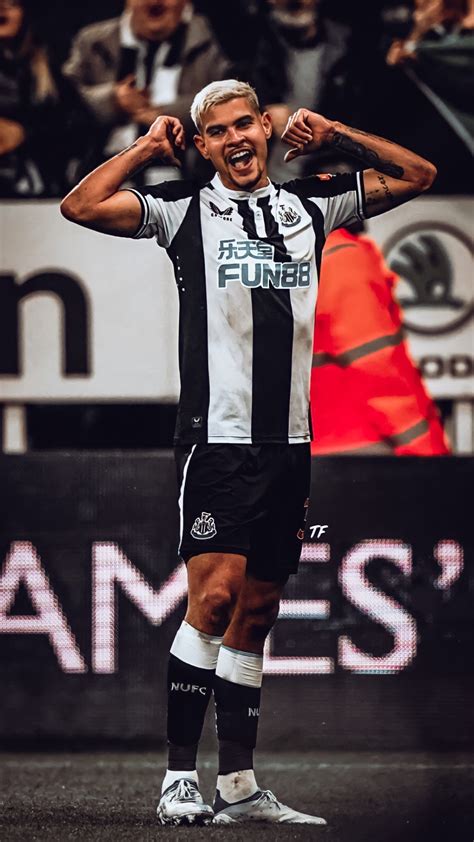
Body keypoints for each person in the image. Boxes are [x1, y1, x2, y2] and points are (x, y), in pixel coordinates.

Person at [60, 79, 437, 825]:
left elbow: (420, 175)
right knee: (214, 600)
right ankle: (178, 778)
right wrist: (146, 145)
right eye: (218, 131)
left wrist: (338, 135)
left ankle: (237, 786)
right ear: (203, 146)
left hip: (289, 443)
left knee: (257, 611)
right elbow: (79, 206)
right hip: (217, 440)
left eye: (245, 124)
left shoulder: (312, 205)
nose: (236, 138)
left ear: (265, 128)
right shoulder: (182, 210)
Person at [311, 223, 451, 455]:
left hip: (317, 448)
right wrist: (430, 453)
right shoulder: (341, 257)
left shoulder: (294, 253)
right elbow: (377, 369)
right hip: (362, 446)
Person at [63, 0, 233, 182]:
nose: (155, 2)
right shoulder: (92, 41)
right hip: (103, 172)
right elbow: (63, 100)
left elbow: (232, 97)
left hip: (188, 175)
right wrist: (112, 100)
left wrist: (166, 115)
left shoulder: (213, 39)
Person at [0, 0, 88, 196]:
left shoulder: (47, 66)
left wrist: (24, 133)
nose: (2, 9)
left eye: (11, 3)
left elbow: (77, 128)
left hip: (34, 191)